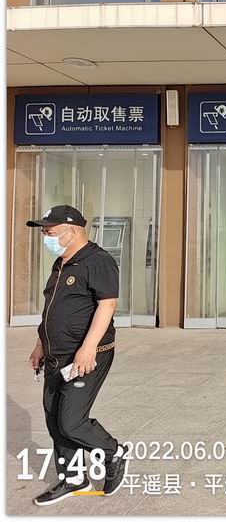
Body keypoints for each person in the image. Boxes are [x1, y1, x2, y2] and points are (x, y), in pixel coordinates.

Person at [26, 205, 130, 506]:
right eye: (44, 232)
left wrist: (88, 348)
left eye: (50, 232)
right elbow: (52, 310)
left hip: (87, 354)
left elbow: (107, 305)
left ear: (71, 231)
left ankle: (114, 452)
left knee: (71, 422)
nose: (46, 237)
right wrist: (40, 344)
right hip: (56, 355)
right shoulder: (61, 263)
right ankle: (73, 477)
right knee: (54, 419)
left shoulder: (98, 261)